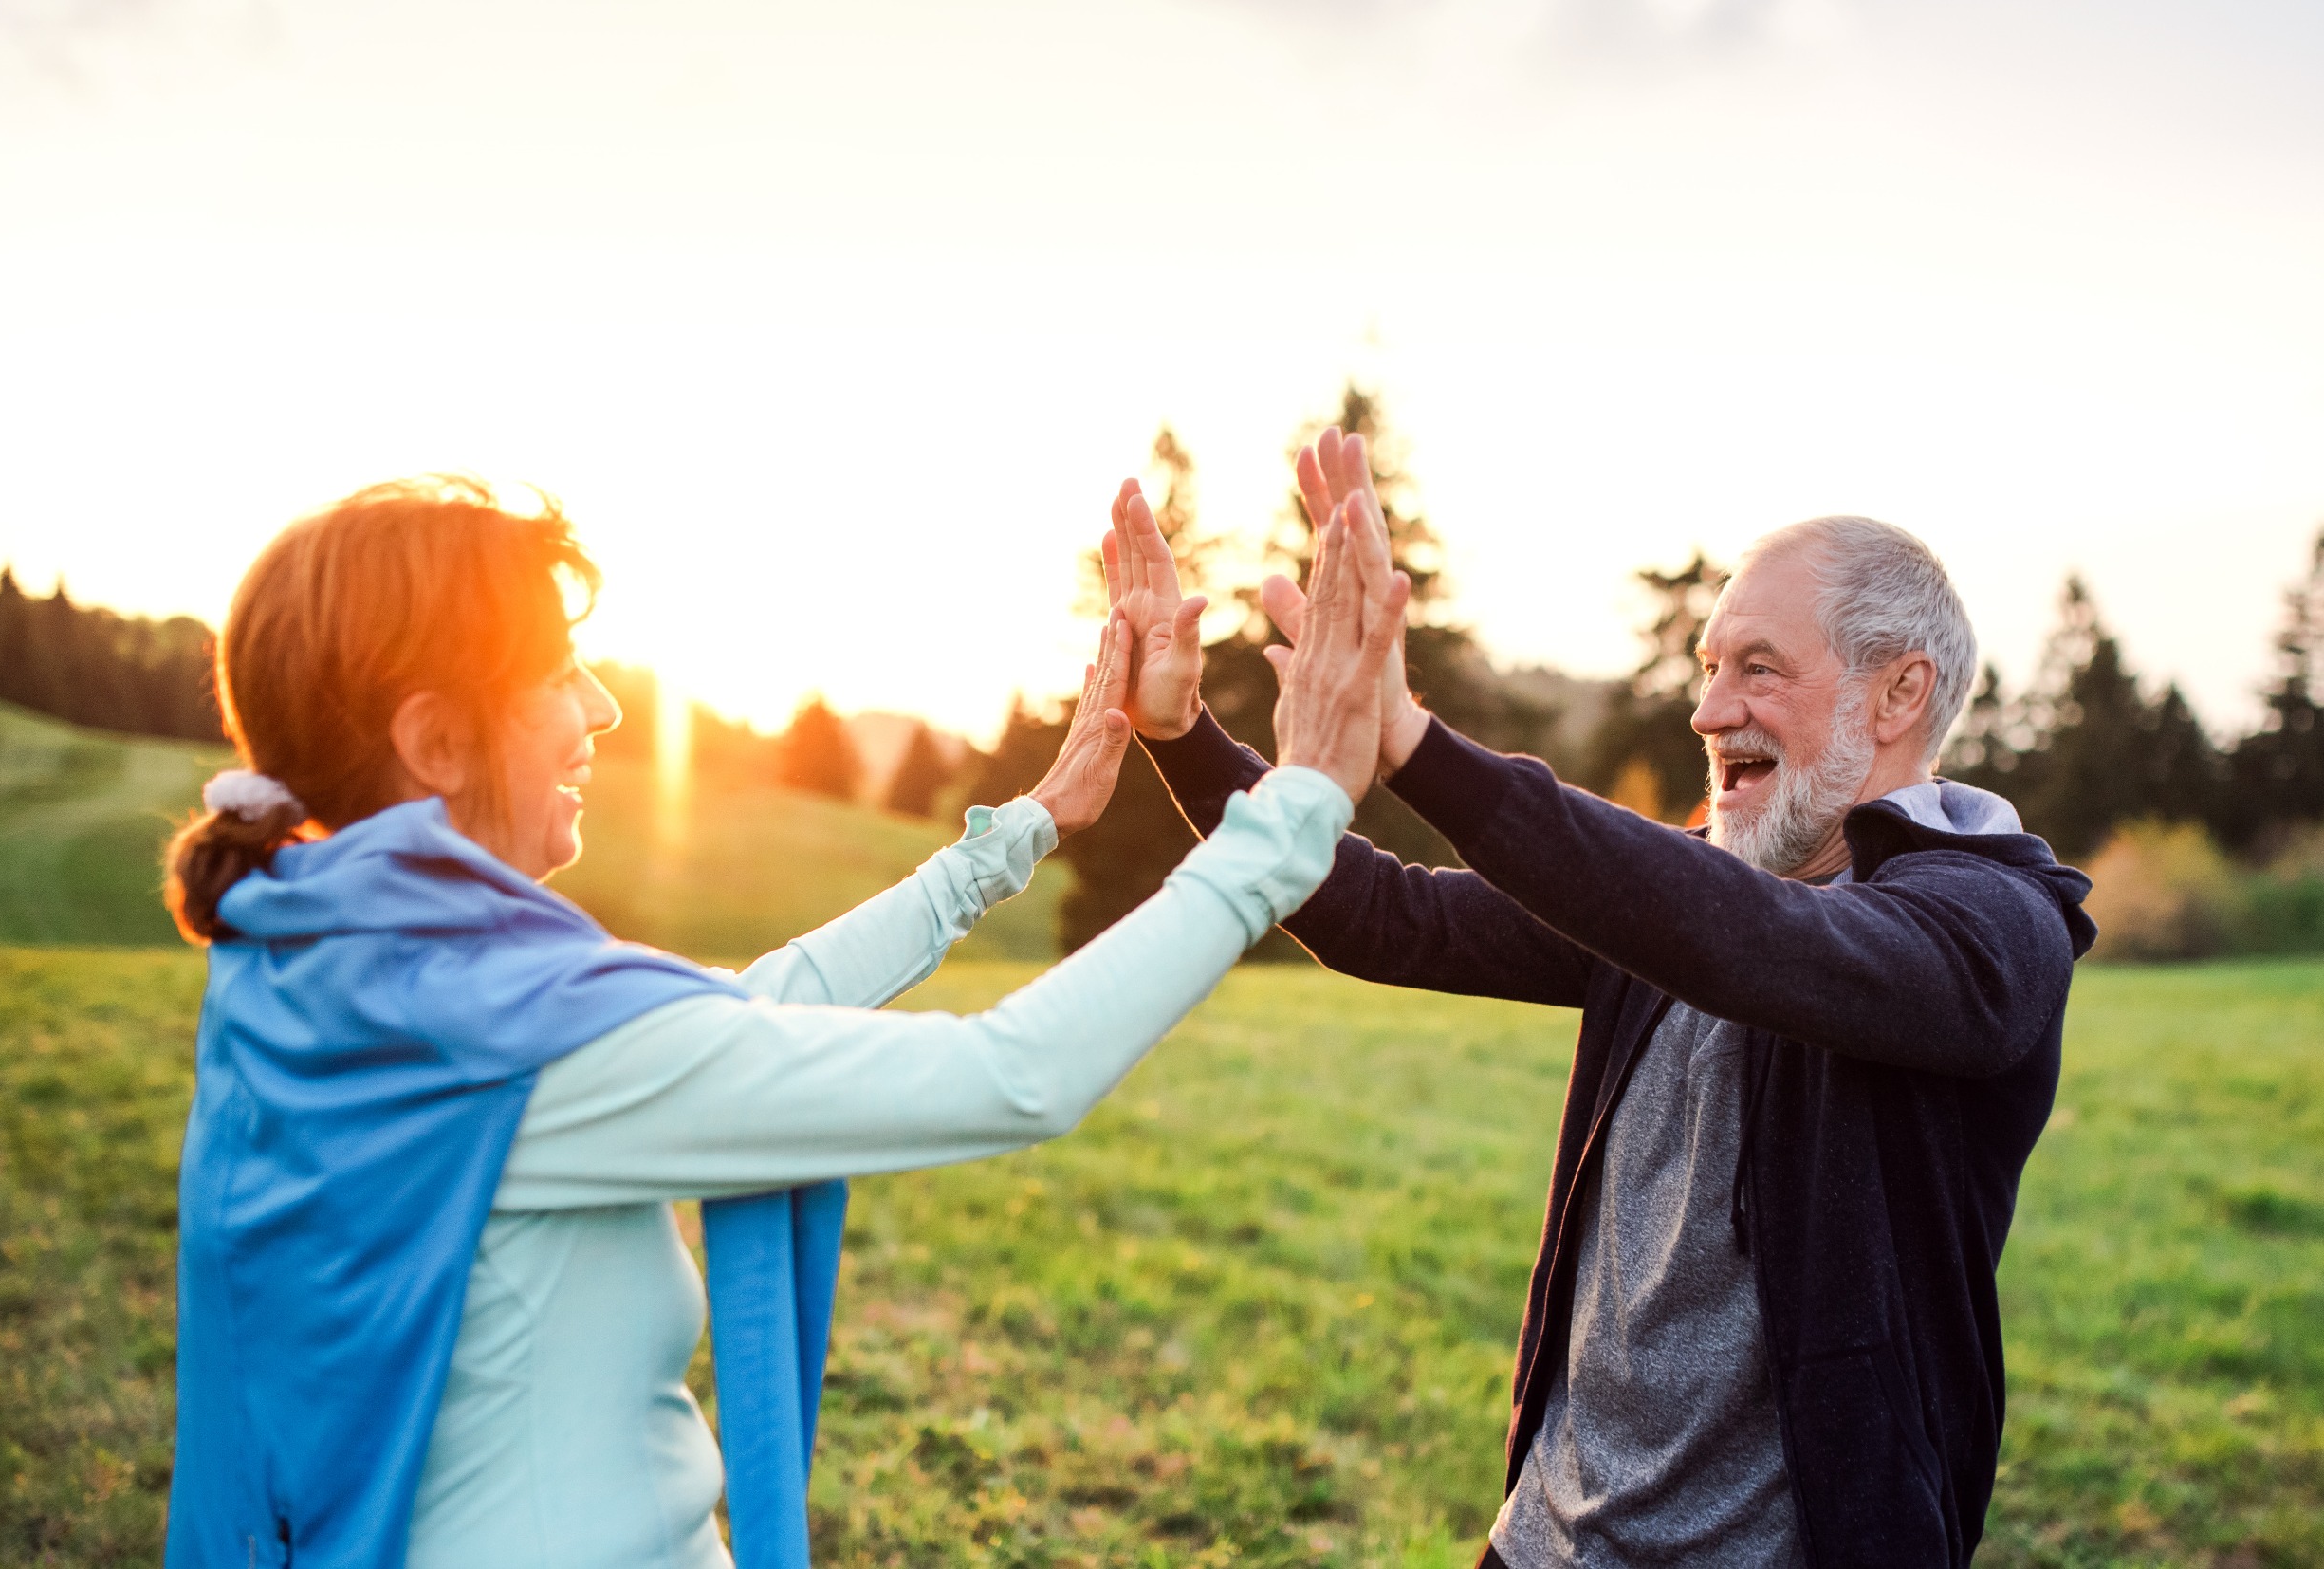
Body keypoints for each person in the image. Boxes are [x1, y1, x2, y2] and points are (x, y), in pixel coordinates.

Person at [158, 474, 1408, 1568]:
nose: (598, 707)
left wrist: (1030, 823)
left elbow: (737, 1020)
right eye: (553, 673)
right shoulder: (485, 1031)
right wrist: (1287, 814)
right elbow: (1013, 1075)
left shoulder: (326, 964)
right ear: (433, 737)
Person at [1099, 435, 2095, 1569]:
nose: (1709, 711)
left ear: (1898, 691)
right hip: (1540, 1543)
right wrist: (1182, 738)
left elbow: (1766, 942)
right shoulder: (1672, 897)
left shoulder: (1990, 929)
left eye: (1758, 668)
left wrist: (1416, 744)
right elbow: (1385, 915)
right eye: (1709, 667)